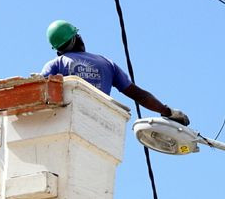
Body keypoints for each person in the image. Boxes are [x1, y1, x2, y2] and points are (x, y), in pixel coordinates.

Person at [40, 20, 190, 126]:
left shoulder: (55, 64)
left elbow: (38, 91)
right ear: (77, 38)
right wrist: (167, 111)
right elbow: (139, 95)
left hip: (67, 121)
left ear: (58, 49)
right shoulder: (106, 63)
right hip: (100, 122)